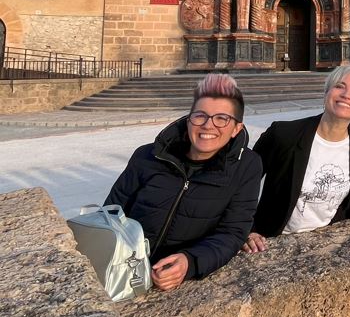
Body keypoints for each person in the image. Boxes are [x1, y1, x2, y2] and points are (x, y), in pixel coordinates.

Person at [105, 73, 262, 291]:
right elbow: (111, 214)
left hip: (174, 276)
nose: (208, 125)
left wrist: (190, 262)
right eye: (200, 116)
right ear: (189, 120)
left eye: (222, 118)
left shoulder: (246, 167)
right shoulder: (147, 156)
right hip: (123, 272)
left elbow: (232, 231)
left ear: (236, 128)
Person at [243, 66, 350, 253]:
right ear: (326, 93)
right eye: (339, 86)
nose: (346, 94)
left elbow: (344, 189)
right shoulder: (284, 135)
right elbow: (242, 183)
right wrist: (246, 229)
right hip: (274, 241)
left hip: (328, 243)